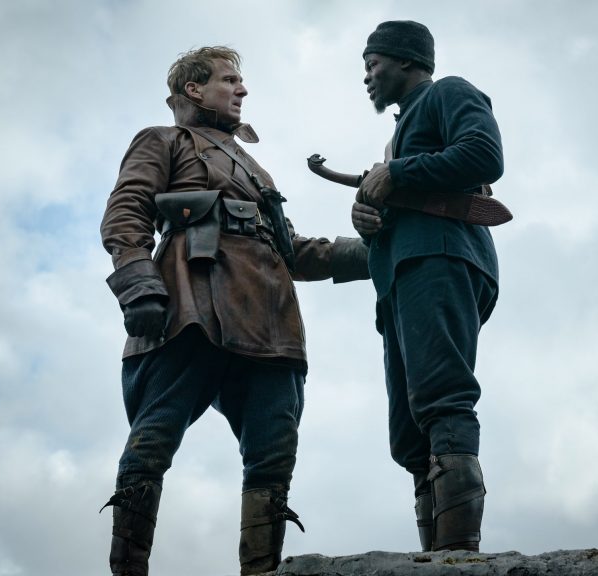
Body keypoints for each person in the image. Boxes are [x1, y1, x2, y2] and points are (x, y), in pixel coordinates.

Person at [99, 46, 368, 576]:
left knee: (273, 457)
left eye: (240, 81)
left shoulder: (257, 170)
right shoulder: (164, 140)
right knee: (152, 443)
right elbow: (126, 211)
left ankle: (261, 571)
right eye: (229, 79)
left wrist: (374, 253)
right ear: (194, 89)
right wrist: (138, 285)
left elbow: (294, 250)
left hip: (270, 320)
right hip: (191, 305)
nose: (242, 90)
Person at [350, 21, 503, 553]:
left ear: (406, 60)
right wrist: (368, 213)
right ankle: (433, 555)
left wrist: (398, 174)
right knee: (409, 433)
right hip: (401, 275)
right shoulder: (396, 133)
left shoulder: (449, 92)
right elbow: (406, 186)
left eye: (373, 64)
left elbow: (485, 156)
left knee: (442, 401)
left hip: (441, 257)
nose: (367, 77)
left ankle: (458, 559)